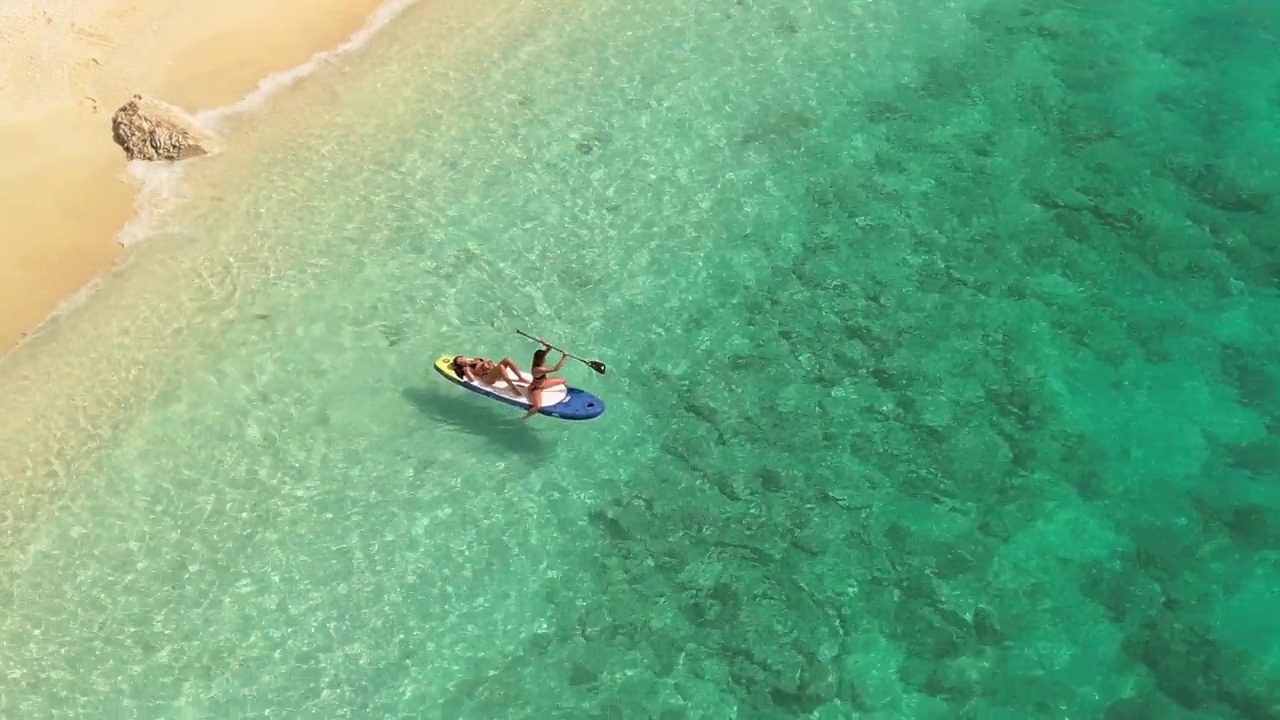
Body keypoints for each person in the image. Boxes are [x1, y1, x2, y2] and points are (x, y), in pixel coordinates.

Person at [521, 342, 568, 420]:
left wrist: (548, 347)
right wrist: (564, 357)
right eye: (544, 358)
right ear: (541, 360)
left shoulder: (536, 361)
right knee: (537, 407)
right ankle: (524, 418)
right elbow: (556, 369)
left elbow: (544, 353)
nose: (545, 359)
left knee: (564, 380)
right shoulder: (539, 369)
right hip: (536, 388)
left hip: (544, 383)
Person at [452, 355, 524, 389]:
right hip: (487, 377)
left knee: (508, 359)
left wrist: (489, 363)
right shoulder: (467, 368)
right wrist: (467, 372)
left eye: (461, 359)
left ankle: (520, 377)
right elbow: (472, 379)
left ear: (464, 356)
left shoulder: (474, 359)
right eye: (460, 362)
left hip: (493, 371)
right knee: (501, 367)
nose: (462, 361)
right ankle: (512, 387)